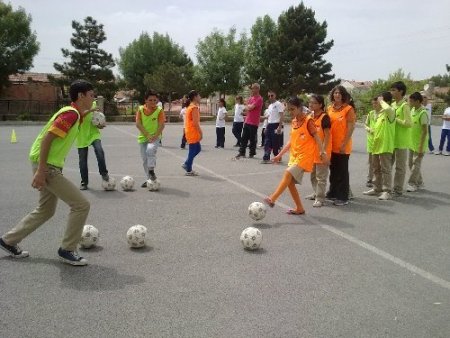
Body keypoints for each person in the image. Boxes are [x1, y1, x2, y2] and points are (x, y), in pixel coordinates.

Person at [0, 80, 93, 265]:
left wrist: (85, 114)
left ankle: (8, 240)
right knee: (81, 204)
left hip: (47, 164)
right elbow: (47, 139)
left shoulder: (74, 113)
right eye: (91, 95)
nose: (93, 98)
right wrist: (41, 171)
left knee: (45, 210)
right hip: (48, 166)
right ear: (81, 96)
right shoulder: (70, 114)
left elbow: (65, 125)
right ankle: (67, 249)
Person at [263, 97, 326, 215]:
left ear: (299, 108)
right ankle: (299, 208)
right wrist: (278, 155)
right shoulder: (294, 122)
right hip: (295, 156)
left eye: (292, 109)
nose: (290, 112)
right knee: (290, 183)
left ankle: (272, 198)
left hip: (305, 156)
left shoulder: (309, 121)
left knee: (287, 173)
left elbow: (317, 137)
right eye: (288, 110)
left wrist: (322, 152)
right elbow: (290, 142)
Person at [325, 85, 356, 206]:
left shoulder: (348, 109)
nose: (337, 95)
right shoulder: (329, 108)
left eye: (339, 93)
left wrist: (344, 143)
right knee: (333, 170)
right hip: (331, 145)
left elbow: (351, 128)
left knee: (342, 171)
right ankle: (333, 192)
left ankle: (343, 197)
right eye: (335, 93)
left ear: (343, 95)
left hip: (343, 145)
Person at [363, 92, 395, 200]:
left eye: (380, 100)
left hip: (385, 146)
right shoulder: (377, 114)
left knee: (386, 169)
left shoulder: (390, 113)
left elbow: (389, 109)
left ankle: (387, 191)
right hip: (376, 145)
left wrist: (382, 101)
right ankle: (377, 188)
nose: (377, 102)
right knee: (376, 168)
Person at [76, 100, 110, 190]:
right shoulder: (77, 105)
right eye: (90, 95)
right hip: (82, 135)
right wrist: (91, 110)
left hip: (93, 133)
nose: (92, 97)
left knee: (99, 150)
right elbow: (80, 115)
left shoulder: (94, 104)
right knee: (82, 160)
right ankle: (84, 182)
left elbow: (97, 119)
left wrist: (100, 124)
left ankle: (104, 173)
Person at [305, 94, 331, 207]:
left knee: (321, 177)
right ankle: (316, 193)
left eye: (314, 103)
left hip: (321, 152)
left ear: (320, 105)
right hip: (312, 151)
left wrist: (323, 151)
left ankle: (320, 198)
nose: (311, 104)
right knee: (313, 175)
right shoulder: (310, 116)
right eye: (310, 102)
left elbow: (327, 136)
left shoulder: (324, 117)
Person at [136, 89, 165, 188]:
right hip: (143, 137)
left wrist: (155, 136)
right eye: (150, 100)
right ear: (145, 100)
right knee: (144, 159)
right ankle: (149, 179)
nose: (153, 102)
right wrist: (147, 135)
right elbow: (138, 124)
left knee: (150, 150)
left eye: (155, 100)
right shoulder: (140, 110)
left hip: (155, 137)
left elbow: (161, 125)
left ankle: (151, 171)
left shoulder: (159, 110)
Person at [390, 81, 412, 196]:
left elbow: (409, 123)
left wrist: (395, 119)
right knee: (387, 166)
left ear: (401, 91)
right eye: (391, 90)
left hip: (401, 142)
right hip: (391, 140)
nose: (391, 92)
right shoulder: (392, 105)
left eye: (394, 90)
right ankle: (386, 188)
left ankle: (398, 189)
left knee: (400, 167)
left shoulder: (405, 105)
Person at [407, 92, 429, 192]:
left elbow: (425, 131)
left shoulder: (423, 113)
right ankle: (420, 183)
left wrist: (420, 147)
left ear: (418, 101)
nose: (410, 102)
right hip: (412, 143)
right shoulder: (412, 110)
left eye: (411, 101)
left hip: (420, 144)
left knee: (416, 164)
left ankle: (412, 184)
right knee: (410, 164)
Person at [235, 83, 263, 159]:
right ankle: (242, 152)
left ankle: (252, 153)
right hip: (247, 120)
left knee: (252, 139)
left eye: (254, 88)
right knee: (244, 137)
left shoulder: (259, 99)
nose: (252, 90)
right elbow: (247, 107)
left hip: (254, 122)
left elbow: (250, 107)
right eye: (252, 88)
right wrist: (248, 107)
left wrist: (248, 106)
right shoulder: (251, 98)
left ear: (257, 89)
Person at [182, 90, 202, 176]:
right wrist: (201, 132)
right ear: (195, 97)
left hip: (190, 131)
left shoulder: (191, 106)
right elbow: (195, 123)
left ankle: (187, 163)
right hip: (192, 131)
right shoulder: (193, 107)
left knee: (198, 149)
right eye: (199, 96)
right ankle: (188, 169)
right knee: (193, 150)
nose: (200, 97)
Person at [261, 90, 284, 164]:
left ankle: (277, 156)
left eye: (272, 95)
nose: (270, 97)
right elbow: (269, 117)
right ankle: (266, 157)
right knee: (267, 142)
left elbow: (281, 116)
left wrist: (279, 127)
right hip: (269, 125)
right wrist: (266, 127)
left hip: (276, 125)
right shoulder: (270, 106)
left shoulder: (278, 104)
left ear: (275, 95)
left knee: (275, 143)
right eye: (269, 96)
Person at [364, 98, 378, 187]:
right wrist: (369, 129)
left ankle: (377, 180)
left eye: (376, 103)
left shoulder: (383, 113)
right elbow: (365, 124)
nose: (374, 105)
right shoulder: (371, 113)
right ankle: (370, 179)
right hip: (371, 141)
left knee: (378, 163)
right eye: (373, 104)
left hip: (380, 141)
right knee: (371, 162)